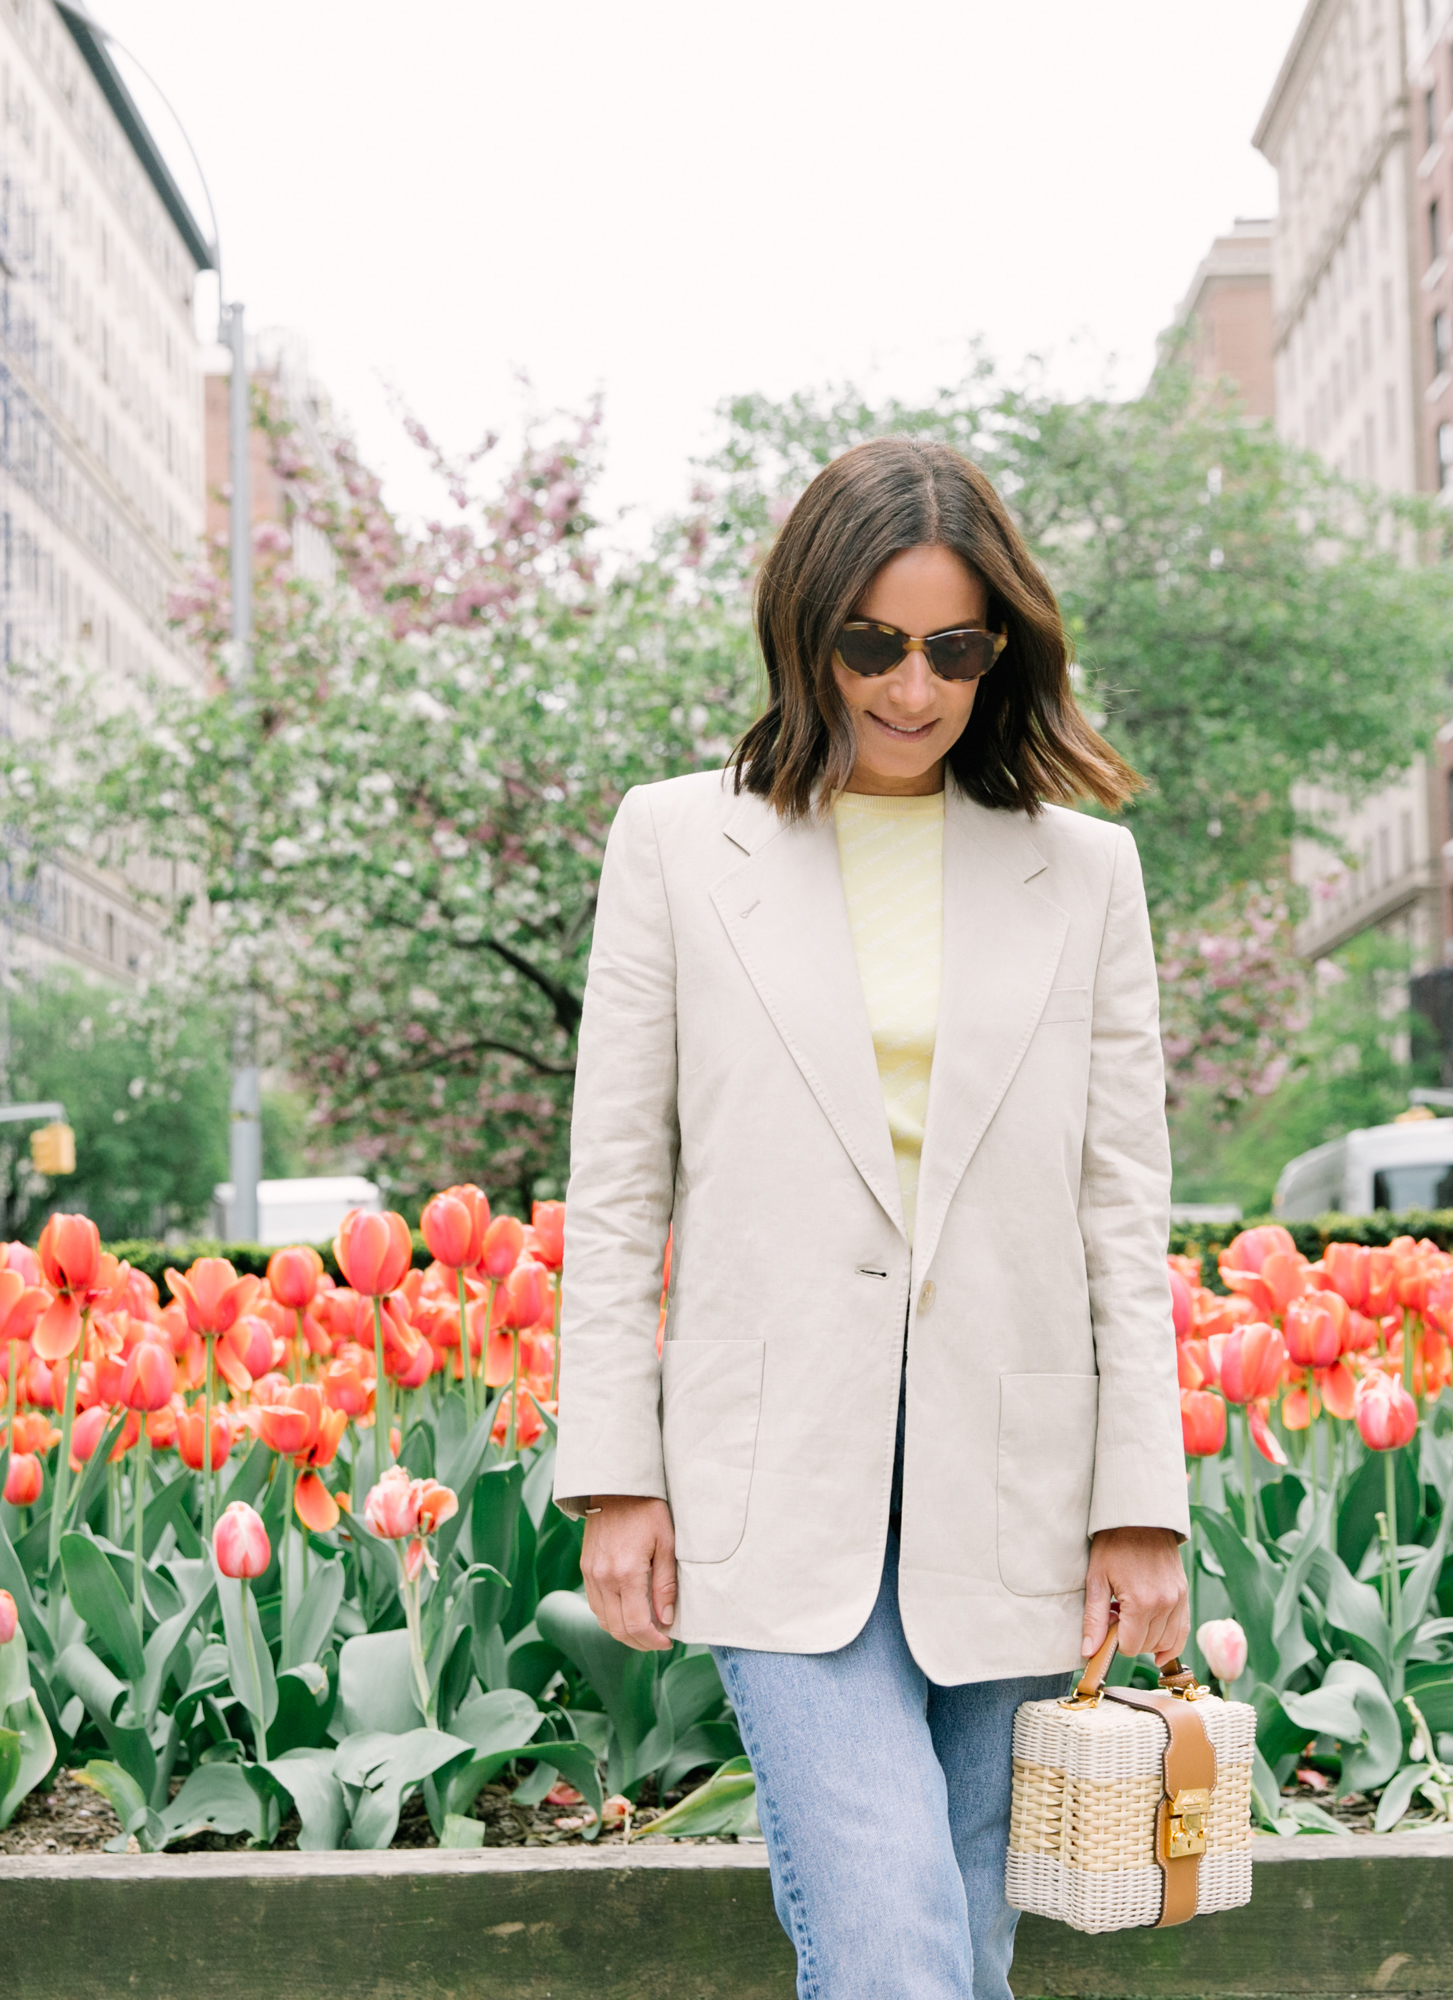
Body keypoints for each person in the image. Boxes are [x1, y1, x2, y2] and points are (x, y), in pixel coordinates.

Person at [555, 436, 1190, 1999]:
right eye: (875, 645)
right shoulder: (676, 845)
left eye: (954, 650)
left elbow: (1126, 1209)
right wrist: (614, 1474)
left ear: (1001, 652)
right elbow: (618, 1183)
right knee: (895, 1943)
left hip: (1020, 1479)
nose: (914, 688)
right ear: (806, 630)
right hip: (774, 1470)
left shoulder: (1085, 874)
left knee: (968, 1935)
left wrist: (1143, 1503)